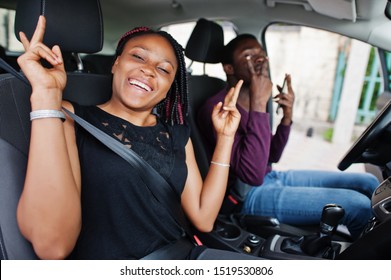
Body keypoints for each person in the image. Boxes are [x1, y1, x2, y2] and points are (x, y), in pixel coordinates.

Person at [16, 15, 250, 260]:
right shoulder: (69, 118)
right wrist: (46, 94)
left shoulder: (176, 134)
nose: (148, 70)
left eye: (163, 69)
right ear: (116, 63)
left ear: (170, 87)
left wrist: (225, 137)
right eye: (138, 56)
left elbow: (204, 218)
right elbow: (53, 246)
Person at [197, 33, 380, 240]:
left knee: (368, 182)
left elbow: (272, 156)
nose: (259, 59)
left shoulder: (253, 97)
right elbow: (252, 175)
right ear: (229, 68)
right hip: (246, 195)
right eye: (248, 55)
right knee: (358, 206)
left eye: (261, 53)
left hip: (272, 176)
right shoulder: (218, 108)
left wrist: (287, 116)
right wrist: (259, 105)